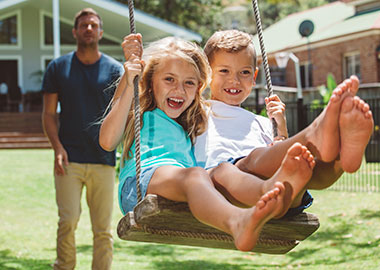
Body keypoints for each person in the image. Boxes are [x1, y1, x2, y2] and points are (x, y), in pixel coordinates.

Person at [99, 33, 317, 252]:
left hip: (182, 185)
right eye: (169, 79)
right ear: (149, 80)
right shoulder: (144, 110)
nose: (179, 89)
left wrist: (280, 129)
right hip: (140, 184)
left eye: (189, 83)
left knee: (222, 170)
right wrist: (129, 78)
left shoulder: (191, 119)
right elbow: (107, 141)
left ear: (198, 88)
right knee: (196, 175)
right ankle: (237, 222)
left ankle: (268, 192)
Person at [194, 29, 374, 217]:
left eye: (244, 72)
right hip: (229, 188)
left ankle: (340, 159)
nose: (235, 80)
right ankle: (313, 134)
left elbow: (279, 154)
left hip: (280, 196)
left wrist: (281, 130)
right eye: (224, 71)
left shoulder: (263, 122)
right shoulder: (198, 111)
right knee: (250, 161)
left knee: (304, 165)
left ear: (254, 77)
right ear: (206, 74)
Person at [41, 8, 123, 270]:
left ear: (100, 32)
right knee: (67, 221)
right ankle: (64, 266)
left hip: (103, 159)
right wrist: (57, 148)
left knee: (103, 229)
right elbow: (49, 114)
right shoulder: (58, 67)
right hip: (69, 159)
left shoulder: (114, 69)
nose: (89, 29)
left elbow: (123, 112)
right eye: (83, 25)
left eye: (93, 25)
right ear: (75, 31)